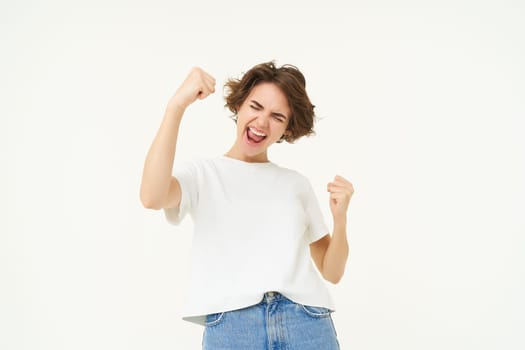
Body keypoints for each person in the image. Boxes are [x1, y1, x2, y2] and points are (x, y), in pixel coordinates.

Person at [140, 61, 354, 349]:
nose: (262, 122)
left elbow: (332, 271)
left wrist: (340, 219)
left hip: (306, 322)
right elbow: (151, 197)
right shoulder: (203, 174)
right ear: (239, 105)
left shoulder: (296, 184)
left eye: (277, 116)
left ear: (287, 129)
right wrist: (176, 106)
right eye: (255, 107)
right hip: (234, 329)